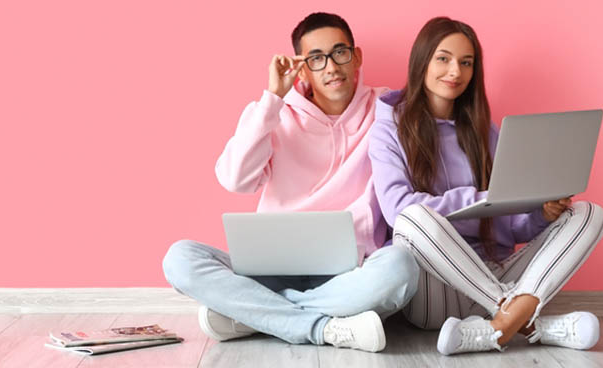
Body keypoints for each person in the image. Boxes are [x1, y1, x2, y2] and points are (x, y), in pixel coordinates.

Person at [161, 12, 419, 353]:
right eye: (316, 58)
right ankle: (322, 328)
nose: (331, 67)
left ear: (356, 57)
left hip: (349, 272)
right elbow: (235, 179)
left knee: (401, 268)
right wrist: (272, 98)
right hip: (268, 269)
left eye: (340, 52)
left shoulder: (387, 109)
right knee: (179, 258)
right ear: (302, 67)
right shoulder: (273, 113)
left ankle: (255, 315)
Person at [367, 16, 603, 355]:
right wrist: (481, 199)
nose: (455, 72)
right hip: (433, 290)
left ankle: (497, 326)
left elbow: (506, 221)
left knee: (588, 213)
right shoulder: (388, 128)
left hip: (491, 271)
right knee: (412, 217)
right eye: (444, 58)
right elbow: (396, 209)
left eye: (466, 63)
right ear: (421, 60)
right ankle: (527, 321)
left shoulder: (483, 130)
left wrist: (540, 215)